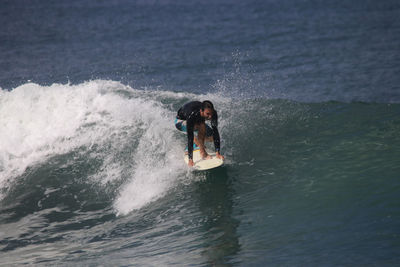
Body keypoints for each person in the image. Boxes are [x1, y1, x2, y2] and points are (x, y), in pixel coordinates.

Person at [175, 100, 224, 167]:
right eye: (207, 114)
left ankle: (197, 142)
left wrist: (217, 152)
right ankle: (202, 152)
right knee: (201, 125)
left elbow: (215, 131)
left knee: (212, 138)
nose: (210, 117)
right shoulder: (191, 115)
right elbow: (190, 136)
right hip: (180, 121)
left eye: (211, 114)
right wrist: (190, 159)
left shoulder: (213, 113)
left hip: (198, 120)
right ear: (201, 111)